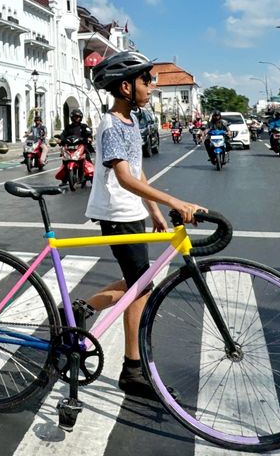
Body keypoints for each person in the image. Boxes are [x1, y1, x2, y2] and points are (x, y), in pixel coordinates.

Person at [85, 51, 204, 401]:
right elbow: (123, 178)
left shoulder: (131, 122)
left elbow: (138, 171)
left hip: (132, 211)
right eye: (146, 81)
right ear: (125, 87)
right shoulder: (110, 126)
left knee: (140, 282)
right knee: (142, 284)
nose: (152, 86)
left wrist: (153, 210)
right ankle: (131, 368)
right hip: (116, 212)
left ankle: (82, 311)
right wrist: (174, 202)